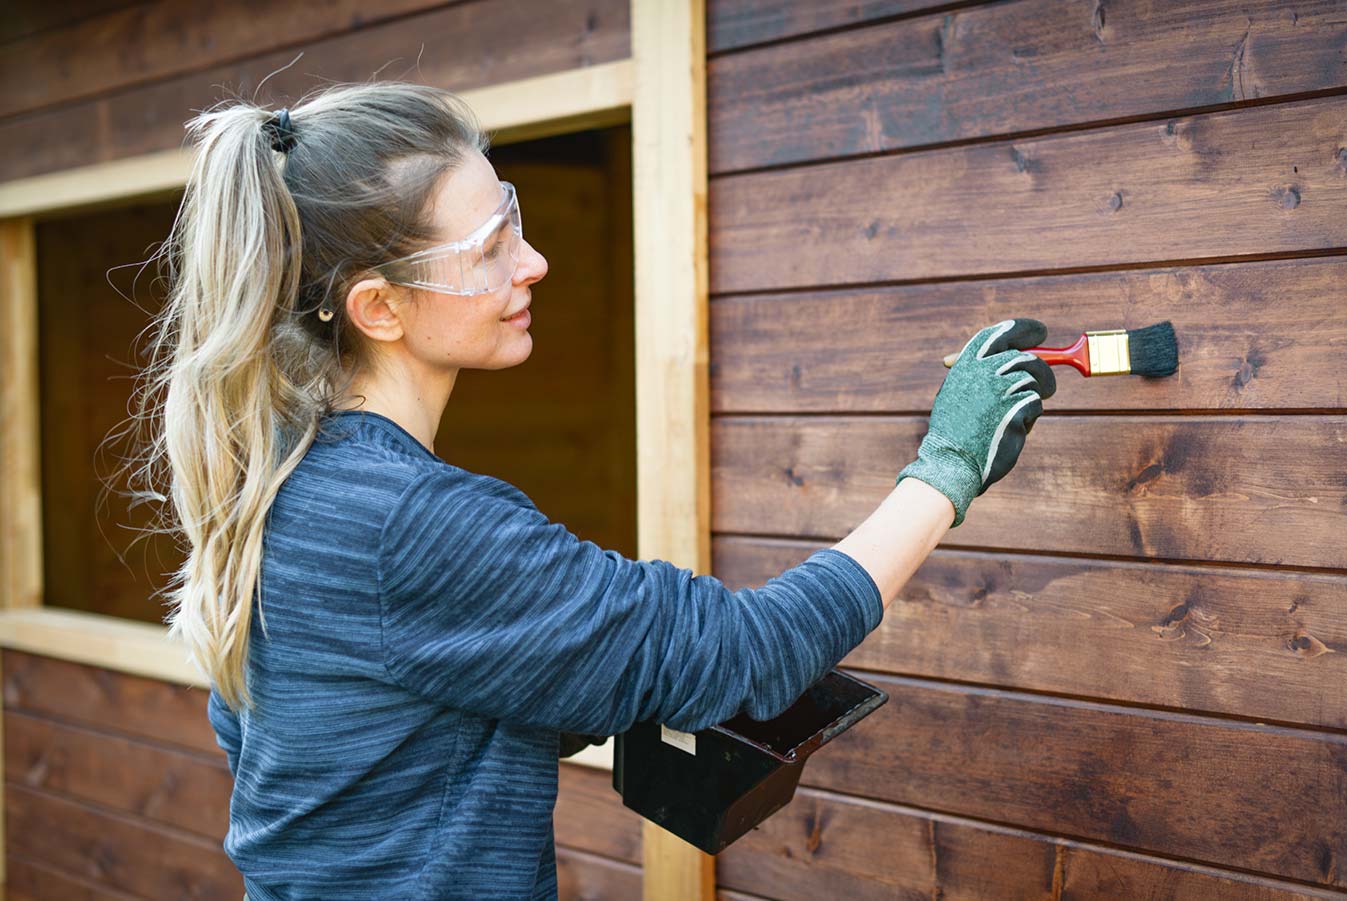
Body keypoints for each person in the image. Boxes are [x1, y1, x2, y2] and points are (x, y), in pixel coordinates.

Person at [126, 81, 1055, 900]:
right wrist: (946, 466)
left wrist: (577, 688)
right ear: (380, 307)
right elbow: (742, 651)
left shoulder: (294, 482)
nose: (530, 263)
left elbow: (345, 755)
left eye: (513, 218)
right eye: (490, 247)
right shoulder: (409, 521)